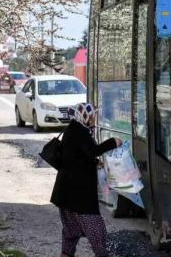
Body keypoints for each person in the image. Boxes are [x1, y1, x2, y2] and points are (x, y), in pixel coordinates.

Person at [50, 103, 122, 257]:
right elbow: (93, 151)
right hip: (79, 197)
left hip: (65, 195)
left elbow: (75, 156)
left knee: (70, 235)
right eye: (91, 116)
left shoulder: (72, 129)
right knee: (98, 235)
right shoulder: (80, 132)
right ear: (84, 117)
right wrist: (113, 142)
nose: (94, 119)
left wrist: (95, 162)